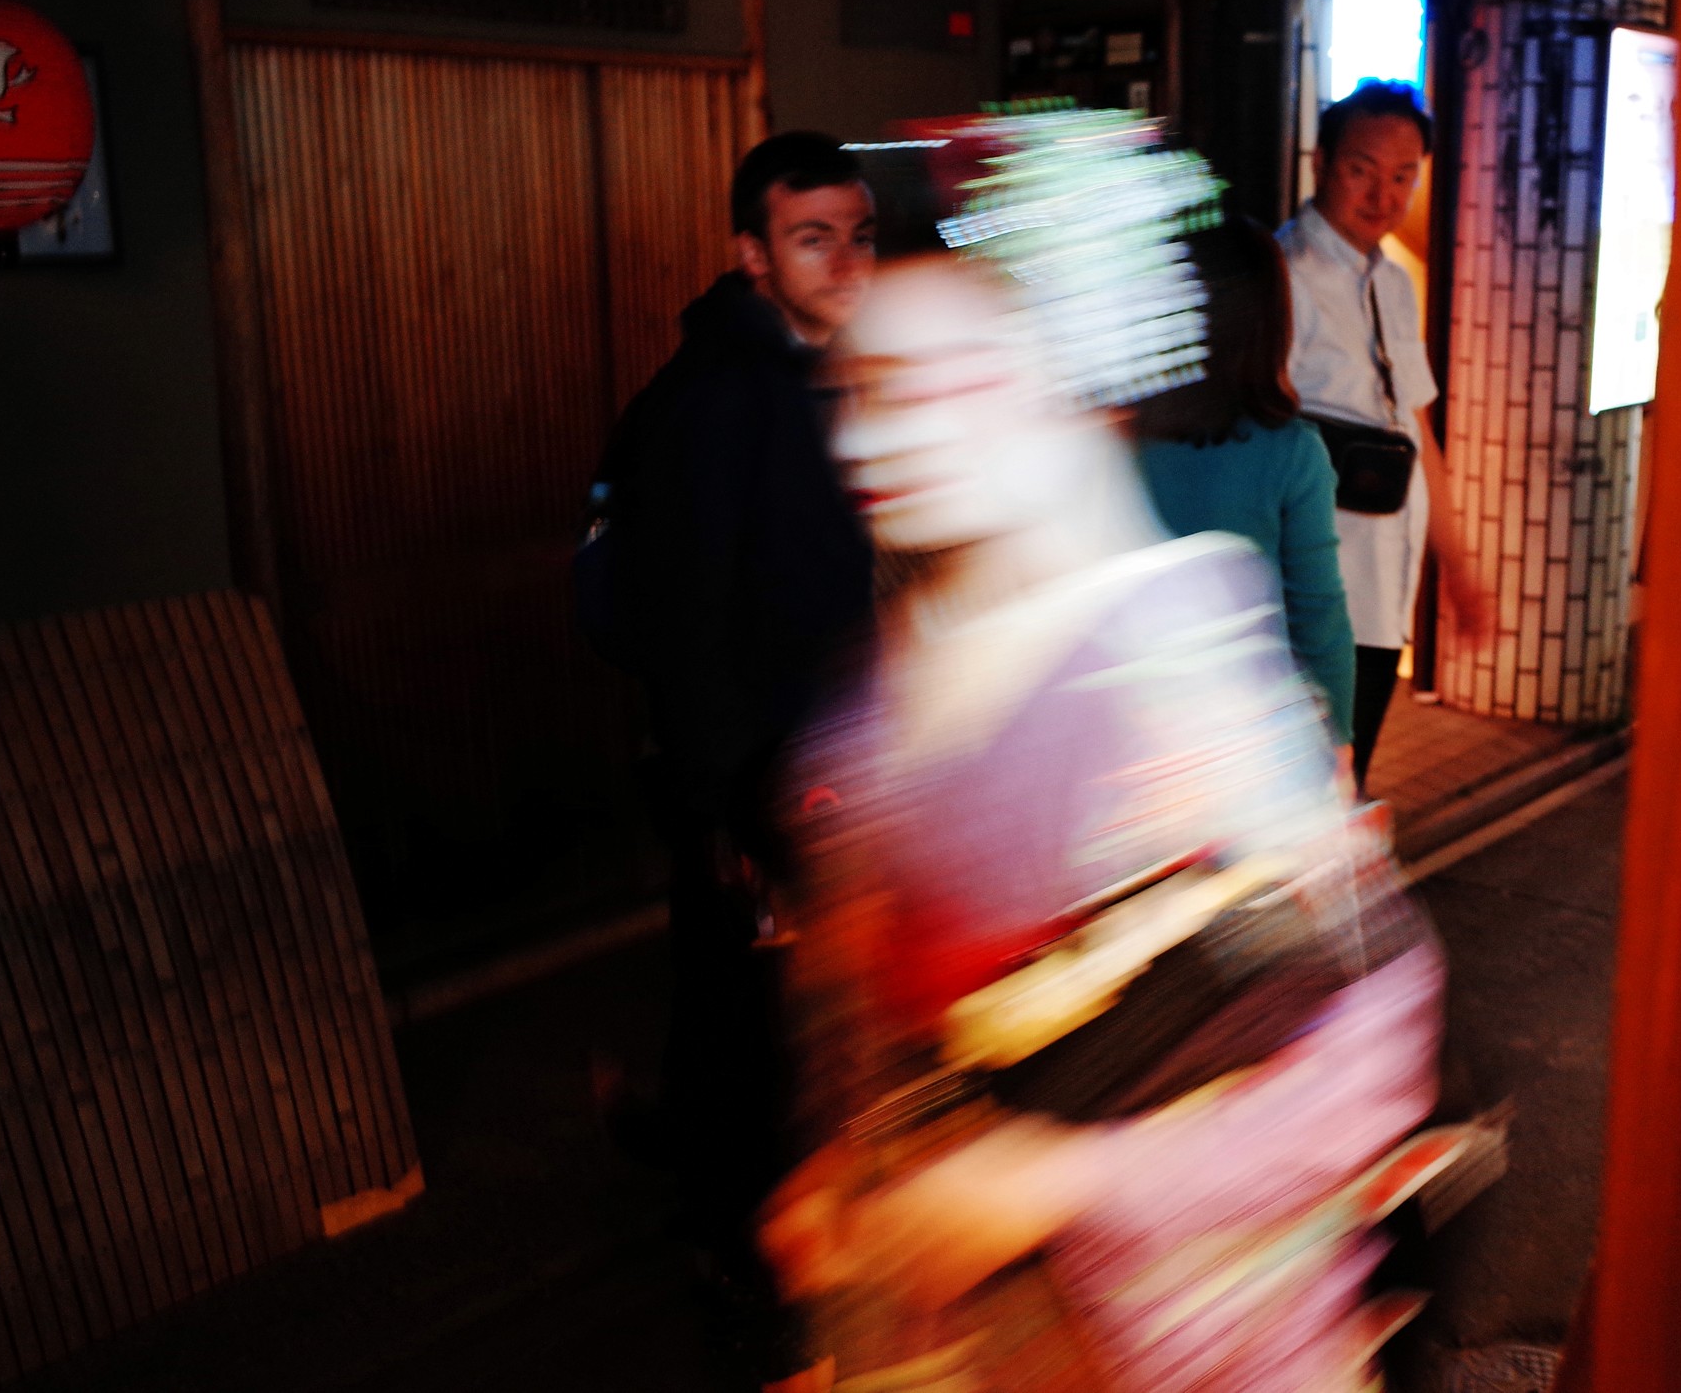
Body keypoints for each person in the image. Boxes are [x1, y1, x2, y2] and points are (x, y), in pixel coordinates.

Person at [758, 111, 1453, 1393]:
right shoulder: (900, 665)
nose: (865, 441)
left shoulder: (1171, 666)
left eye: (931, 386)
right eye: (858, 389)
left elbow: (1370, 1050)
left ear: (1064, 379)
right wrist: (843, 1163)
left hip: (1189, 1342)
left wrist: (1060, 1177)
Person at [596, 129, 876, 1385]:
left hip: (816, 758)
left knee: (766, 1014)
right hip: (750, 773)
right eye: (812, 236)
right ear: (752, 254)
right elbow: (685, 616)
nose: (844, 259)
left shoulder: (826, 372)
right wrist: (723, 809)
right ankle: (732, 1254)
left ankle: (740, 1213)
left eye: (857, 232)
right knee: (745, 1019)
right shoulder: (712, 398)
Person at [1279, 81, 1488, 789]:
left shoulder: (1394, 281)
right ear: (1321, 163)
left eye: (1404, 176)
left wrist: (1456, 566)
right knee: (1313, 788)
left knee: (1344, 778)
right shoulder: (1285, 276)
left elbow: (1417, 427)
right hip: (1315, 590)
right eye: (1362, 170)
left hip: (1383, 587)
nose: (1384, 194)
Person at [1134, 215, 1357, 746]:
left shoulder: (1113, 442)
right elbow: (1317, 615)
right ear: (1269, 321)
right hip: (1248, 734)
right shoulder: (1290, 451)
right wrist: (1339, 739)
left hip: (1131, 721)